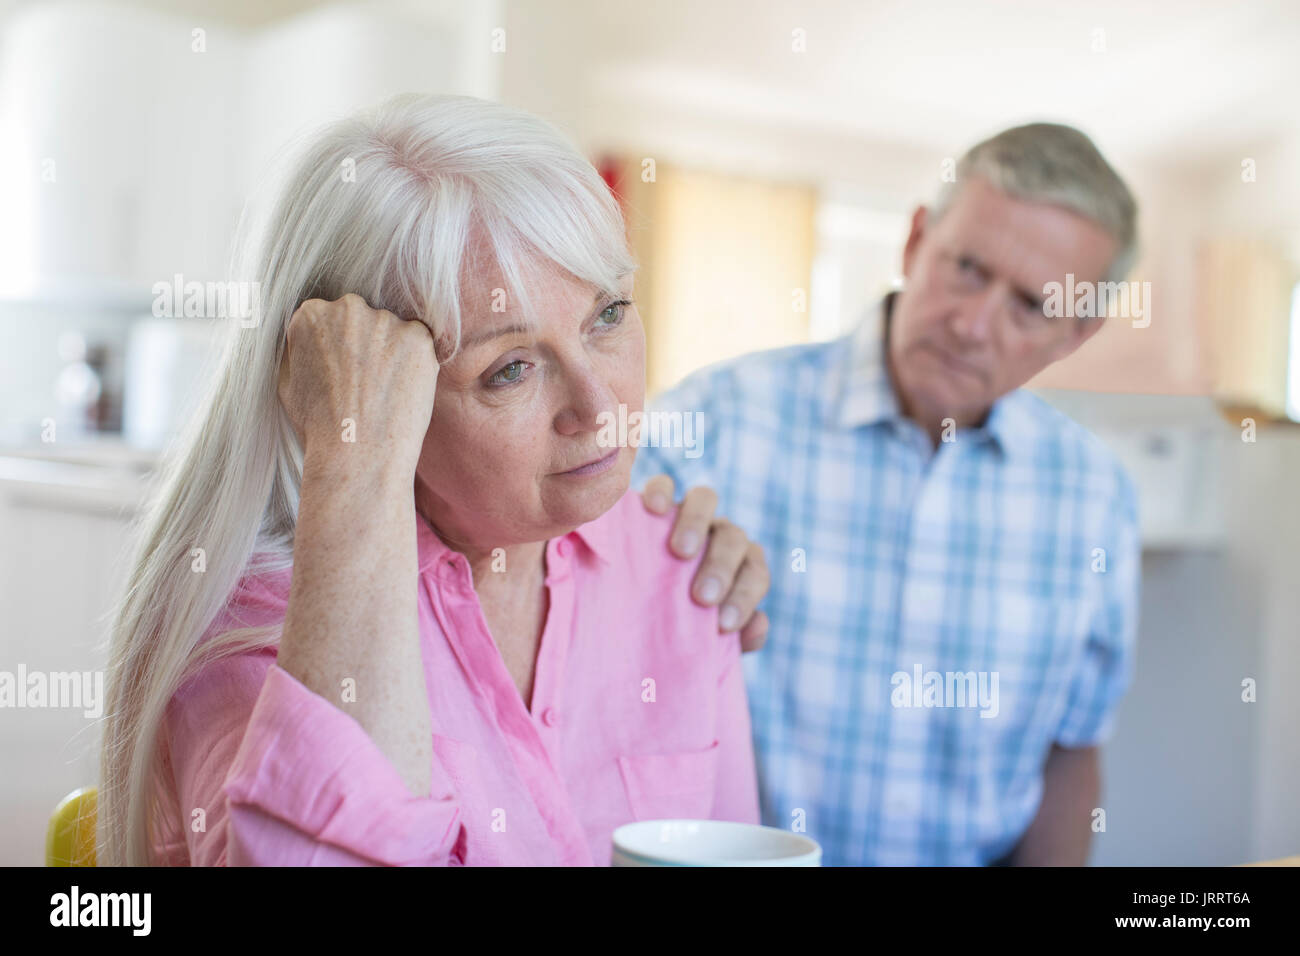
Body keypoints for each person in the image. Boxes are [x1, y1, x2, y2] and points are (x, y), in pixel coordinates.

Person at [98, 92, 768, 866]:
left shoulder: (684, 570)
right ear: (374, 388)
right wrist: (352, 457)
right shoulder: (258, 624)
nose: (597, 404)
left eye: (608, 315)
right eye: (509, 369)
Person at [634, 123, 1142, 866]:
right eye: (966, 267)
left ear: (1078, 330)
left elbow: (1071, 753)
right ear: (914, 241)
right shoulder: (711, 421)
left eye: (1030, 304)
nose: (972, 325)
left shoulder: (1095, 498)